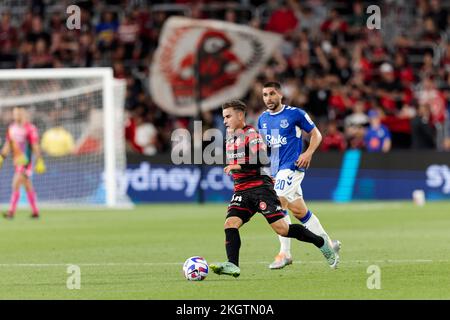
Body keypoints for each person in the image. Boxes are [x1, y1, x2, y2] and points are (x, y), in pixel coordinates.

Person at [209, 100, 339, 278]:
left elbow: (261, 161)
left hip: (261, 189)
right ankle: (232, 264)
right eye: (224, 117)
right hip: (241, 191)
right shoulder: (230, 138)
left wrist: (237, 166)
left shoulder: (252, 135)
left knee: (283, 229)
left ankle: (321, 243)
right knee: (230, 224)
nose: (225, 121)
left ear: (240, 115)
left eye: (228, 116)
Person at [258, 82, 341, 269]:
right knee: (299, 211)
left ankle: (285, 254)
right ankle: (329, 244)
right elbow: (267, 148)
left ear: (280, 94)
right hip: (277, 170)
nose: (268, 98)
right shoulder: (262, 119)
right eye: (265, 95)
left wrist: (308, 153)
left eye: (272, 94)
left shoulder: (295, 114)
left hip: (293, 166)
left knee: (278, 203)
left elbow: (316, 135)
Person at [0, 107, 46, 219]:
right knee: (27, 186)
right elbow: (7, 145)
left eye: (18, 113)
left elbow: (35, 145)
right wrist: (1, 157)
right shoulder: (11, 128)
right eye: (14, 113)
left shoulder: (30, 128)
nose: (16, 115)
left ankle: (11, 212)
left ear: (23, 114)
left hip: (26, 161)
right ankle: (35, 212)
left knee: (15, 183)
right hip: (17, 162)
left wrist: (39, 159)